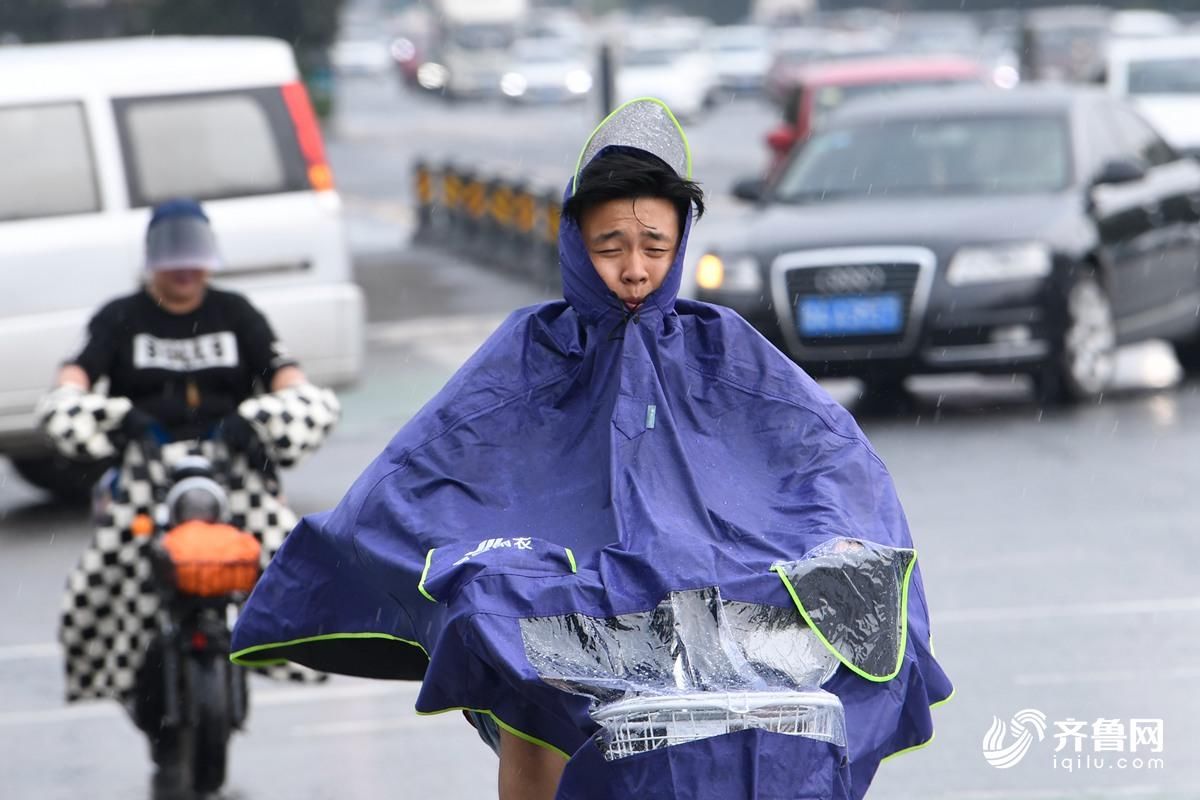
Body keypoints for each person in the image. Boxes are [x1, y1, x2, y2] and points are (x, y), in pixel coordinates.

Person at [231, 100, 952, 800]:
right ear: (577, 242)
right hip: (570, 601)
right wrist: (474, 565)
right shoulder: (526, 354)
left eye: (654, 248)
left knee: (840, 624)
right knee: (511, 649)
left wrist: (835, 547)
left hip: (727, 602)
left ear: (680, 245)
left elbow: (830, 463)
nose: (634, 269)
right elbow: (428, 469)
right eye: (611, 247)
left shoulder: (727, 349)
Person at [37, 198, 339, 791]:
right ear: (151, 262)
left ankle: (286, 657)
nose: (183, 272)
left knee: (301, 566)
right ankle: (134, 693)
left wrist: (262, 418)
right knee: (95, 592)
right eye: (171, 260)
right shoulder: (120, 318)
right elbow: (71, 378)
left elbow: (290, 379)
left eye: (193, 259)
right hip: (147, 478)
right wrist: (107, 414)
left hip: (232, 474)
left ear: (209, 259)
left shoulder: (237, 313)